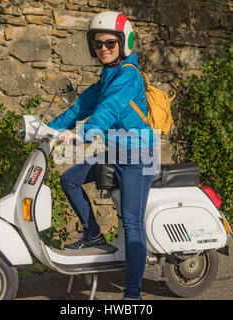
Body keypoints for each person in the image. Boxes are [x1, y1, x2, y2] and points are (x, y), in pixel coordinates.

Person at [48, 11, 156, 300]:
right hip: (116, 151)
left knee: (131, 224)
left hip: (137, 155)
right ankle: (93, 234)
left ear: (124, 42)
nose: (103, 49)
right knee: (70, 180)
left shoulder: (128, 76)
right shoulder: (109, 74)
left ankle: (133, 294)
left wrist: (81, 133)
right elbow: (80, 106)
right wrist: (47, 128)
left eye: (110, 43)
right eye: (98, 44)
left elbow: (108, 109)